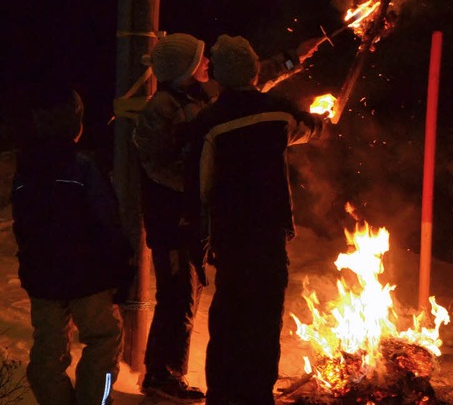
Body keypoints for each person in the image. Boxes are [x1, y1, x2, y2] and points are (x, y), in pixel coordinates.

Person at [133, 32, 323, 402]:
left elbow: (249, 85)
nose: (207, 64)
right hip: (173, 220)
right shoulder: (163, 108)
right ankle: (162, 375)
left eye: (210, 60)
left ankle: (198, 380)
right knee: (178, 298)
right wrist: (206, 181)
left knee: (202, 300)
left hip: (203, 217)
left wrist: (292, 58)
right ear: (185, 70)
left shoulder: (204, 100)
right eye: (201, 60)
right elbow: (158, 166)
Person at [198, 34, 328, 405]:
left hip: (231, 236)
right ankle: (257, 395)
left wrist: (207, 232)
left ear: (219, 79)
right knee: (264, 320)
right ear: (254, 73)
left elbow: (203, 185)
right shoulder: (278, 111)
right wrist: (322, 124)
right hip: (269, 234)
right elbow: (308, 129)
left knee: (229, 321)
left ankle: (223, 396)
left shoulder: (210, 120)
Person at [10, 84, 133, 405]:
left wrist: (31, 266)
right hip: (89, 278)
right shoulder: (83, 167)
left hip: (44, 280)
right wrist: (121, 266)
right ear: (73, 122)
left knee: (48, 352)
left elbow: (23, 228)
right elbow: (107, 220)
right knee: (104, 341)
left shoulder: (25, 170)